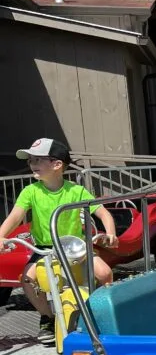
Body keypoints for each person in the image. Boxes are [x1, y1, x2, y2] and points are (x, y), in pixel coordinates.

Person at [0, 138, 117, 343]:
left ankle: (102, 311)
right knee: (27, 280)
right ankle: (49, 317)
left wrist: (110, 232)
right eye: (31, 160)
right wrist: (1, 236)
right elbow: (15, 217)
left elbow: (103, 213)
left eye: (38, 159)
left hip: (75, 246)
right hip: (45, 248)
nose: (32, 164)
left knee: (105, 273)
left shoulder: (76, 191)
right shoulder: (30, 191)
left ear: (57, 165)